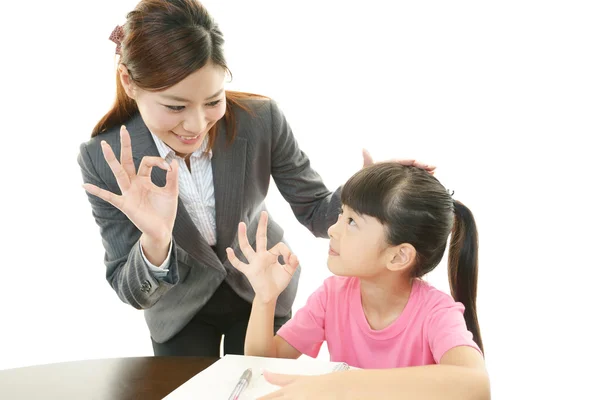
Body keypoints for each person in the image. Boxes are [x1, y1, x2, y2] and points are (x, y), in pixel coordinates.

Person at [78, 0, 434, 357]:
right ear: (129, 81)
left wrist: (364, 194)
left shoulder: (260, 120)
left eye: (213, 101)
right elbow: (131, 290)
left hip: (263, 288)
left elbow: (314, 210)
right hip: (177, 310)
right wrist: (156, 241)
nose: (197, 125)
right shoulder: (103, 158)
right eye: (175, 107)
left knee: (261, 388)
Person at [227, 162, 490, 399]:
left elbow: (476, 383)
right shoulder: (332, 296)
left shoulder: (436, 313)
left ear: (399, 256)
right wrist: (265, 298)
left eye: (352, 221)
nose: (333, 229)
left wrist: (342, 384)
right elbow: (264, 364)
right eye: (341, 214)